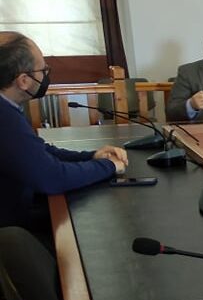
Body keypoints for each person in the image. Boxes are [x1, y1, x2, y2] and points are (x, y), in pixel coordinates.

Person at [0, 32, 127, 230]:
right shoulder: (4, 117)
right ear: (23, 80)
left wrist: (91, 156)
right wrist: (109, 166)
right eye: (43, 69)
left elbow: (39, 151)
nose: (46, 75)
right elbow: (52, 177)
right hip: (13, 228)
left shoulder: (7, 107)